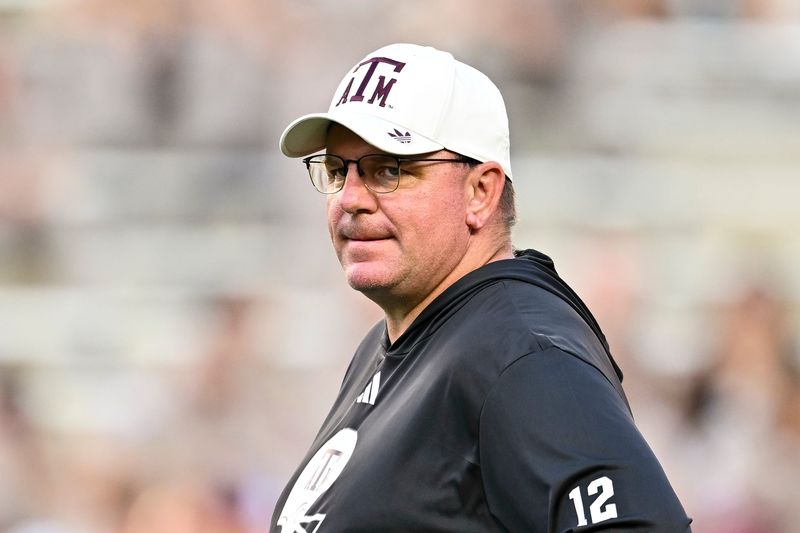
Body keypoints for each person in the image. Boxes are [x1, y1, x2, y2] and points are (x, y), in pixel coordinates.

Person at [271, 43, 691, 532]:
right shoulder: (400, 344)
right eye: (339, 171)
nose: (350, 199)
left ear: (481, 191)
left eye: (388, 169)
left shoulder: (523, 354)